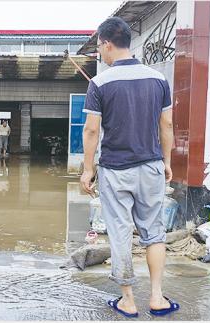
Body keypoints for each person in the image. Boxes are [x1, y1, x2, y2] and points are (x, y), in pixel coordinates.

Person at [80, 17, 178, 318]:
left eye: (99, 47)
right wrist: (167, 162)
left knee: (120, 233)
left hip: (115, 170)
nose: (100, 52)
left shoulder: (99, 83)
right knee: (154, 232)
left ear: (107, 44)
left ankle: (128, 300)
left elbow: (92, 131)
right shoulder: (158, 79)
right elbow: (167, 125)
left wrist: (87, 169)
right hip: (150, 167)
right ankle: (158, 297)